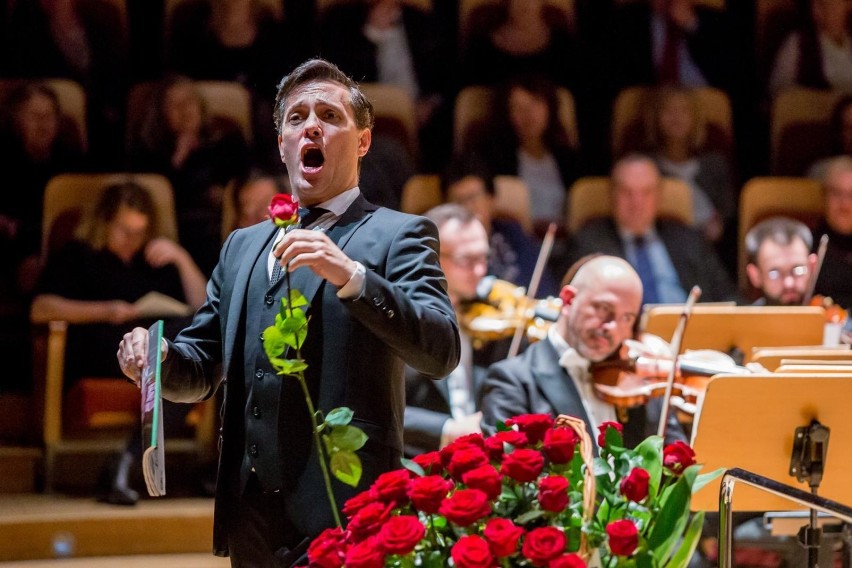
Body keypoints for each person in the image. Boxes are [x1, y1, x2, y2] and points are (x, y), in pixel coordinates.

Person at [116, 58, 459, 566]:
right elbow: (201, 365)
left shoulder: (399, 235)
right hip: (250, 511)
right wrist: (157, 360)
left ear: (363, 141)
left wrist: (354, 278)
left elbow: (441, 350)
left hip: (350, 511)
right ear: (282, 143)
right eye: (296, 118)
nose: (311, 126)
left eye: (329, 114)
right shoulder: (242, 247)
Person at [30, 181, 208, 505]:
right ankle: (130, 465)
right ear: (104, 222)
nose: (132, 240)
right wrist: (107, 310)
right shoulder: (79, 254)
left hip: (153, 358)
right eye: (124, 230)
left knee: (190, 342)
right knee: (177, 356)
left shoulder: (153, 259)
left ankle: (124, 463)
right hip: (100, 350)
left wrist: (181, 258)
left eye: (140, 232)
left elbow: (205, 307)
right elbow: (41, 308)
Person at [479, 255, 686, 448]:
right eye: (603, 309)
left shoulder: (641, 382)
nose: (613, 328)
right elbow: (510, 476)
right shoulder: (512, 381)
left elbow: (677, 466)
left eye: (627, 318)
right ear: (568, 300)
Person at [568, 153, 739, 305]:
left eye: (646, 192)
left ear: (659, 196)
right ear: (612, 195)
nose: (636, 203)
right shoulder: (588, 244)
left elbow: (729, 297)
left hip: (691, 334)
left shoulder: (689, 240)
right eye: (626, 192)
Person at [127, 74, 252, 276]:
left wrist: (225, 194)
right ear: (161, 114)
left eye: (189, 101)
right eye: (173, 105)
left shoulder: (227, 138)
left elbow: (247, 178)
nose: (184, 110)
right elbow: (152, 195)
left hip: (221, 219)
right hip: (177, 225)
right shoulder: (150, 150)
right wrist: (178, 158)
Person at [404, 204, 494, 457]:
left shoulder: (493, 318)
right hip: (419, 461)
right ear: (429, 257)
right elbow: (374, 410)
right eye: (466, 260)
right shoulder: (399, 318)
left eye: (484, 257)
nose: (481, 271)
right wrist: (447, 429)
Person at [444, 168, 558, 298]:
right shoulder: (443, 249)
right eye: (459, 201)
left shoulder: (514, 234)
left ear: (491, 198)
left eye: (473, 198)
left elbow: (544, 290)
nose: (468, 207)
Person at [769, 0, 852, 96]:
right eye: (830, 6)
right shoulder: (798, 44)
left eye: (838, 6)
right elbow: (778, 91)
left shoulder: (849, 43)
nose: (837, 13)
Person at [745, 216, 817, 306]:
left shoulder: (830, 318)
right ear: (755, 275)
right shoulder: (744, 320)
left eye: (798, 270)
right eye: (774, 273)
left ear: (812, 267)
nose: (789, 283)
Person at [813, 155, 852, 311]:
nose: (844, 204)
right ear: (823, 196)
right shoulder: (805, 246)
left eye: (851, 195)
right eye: (836, 193)